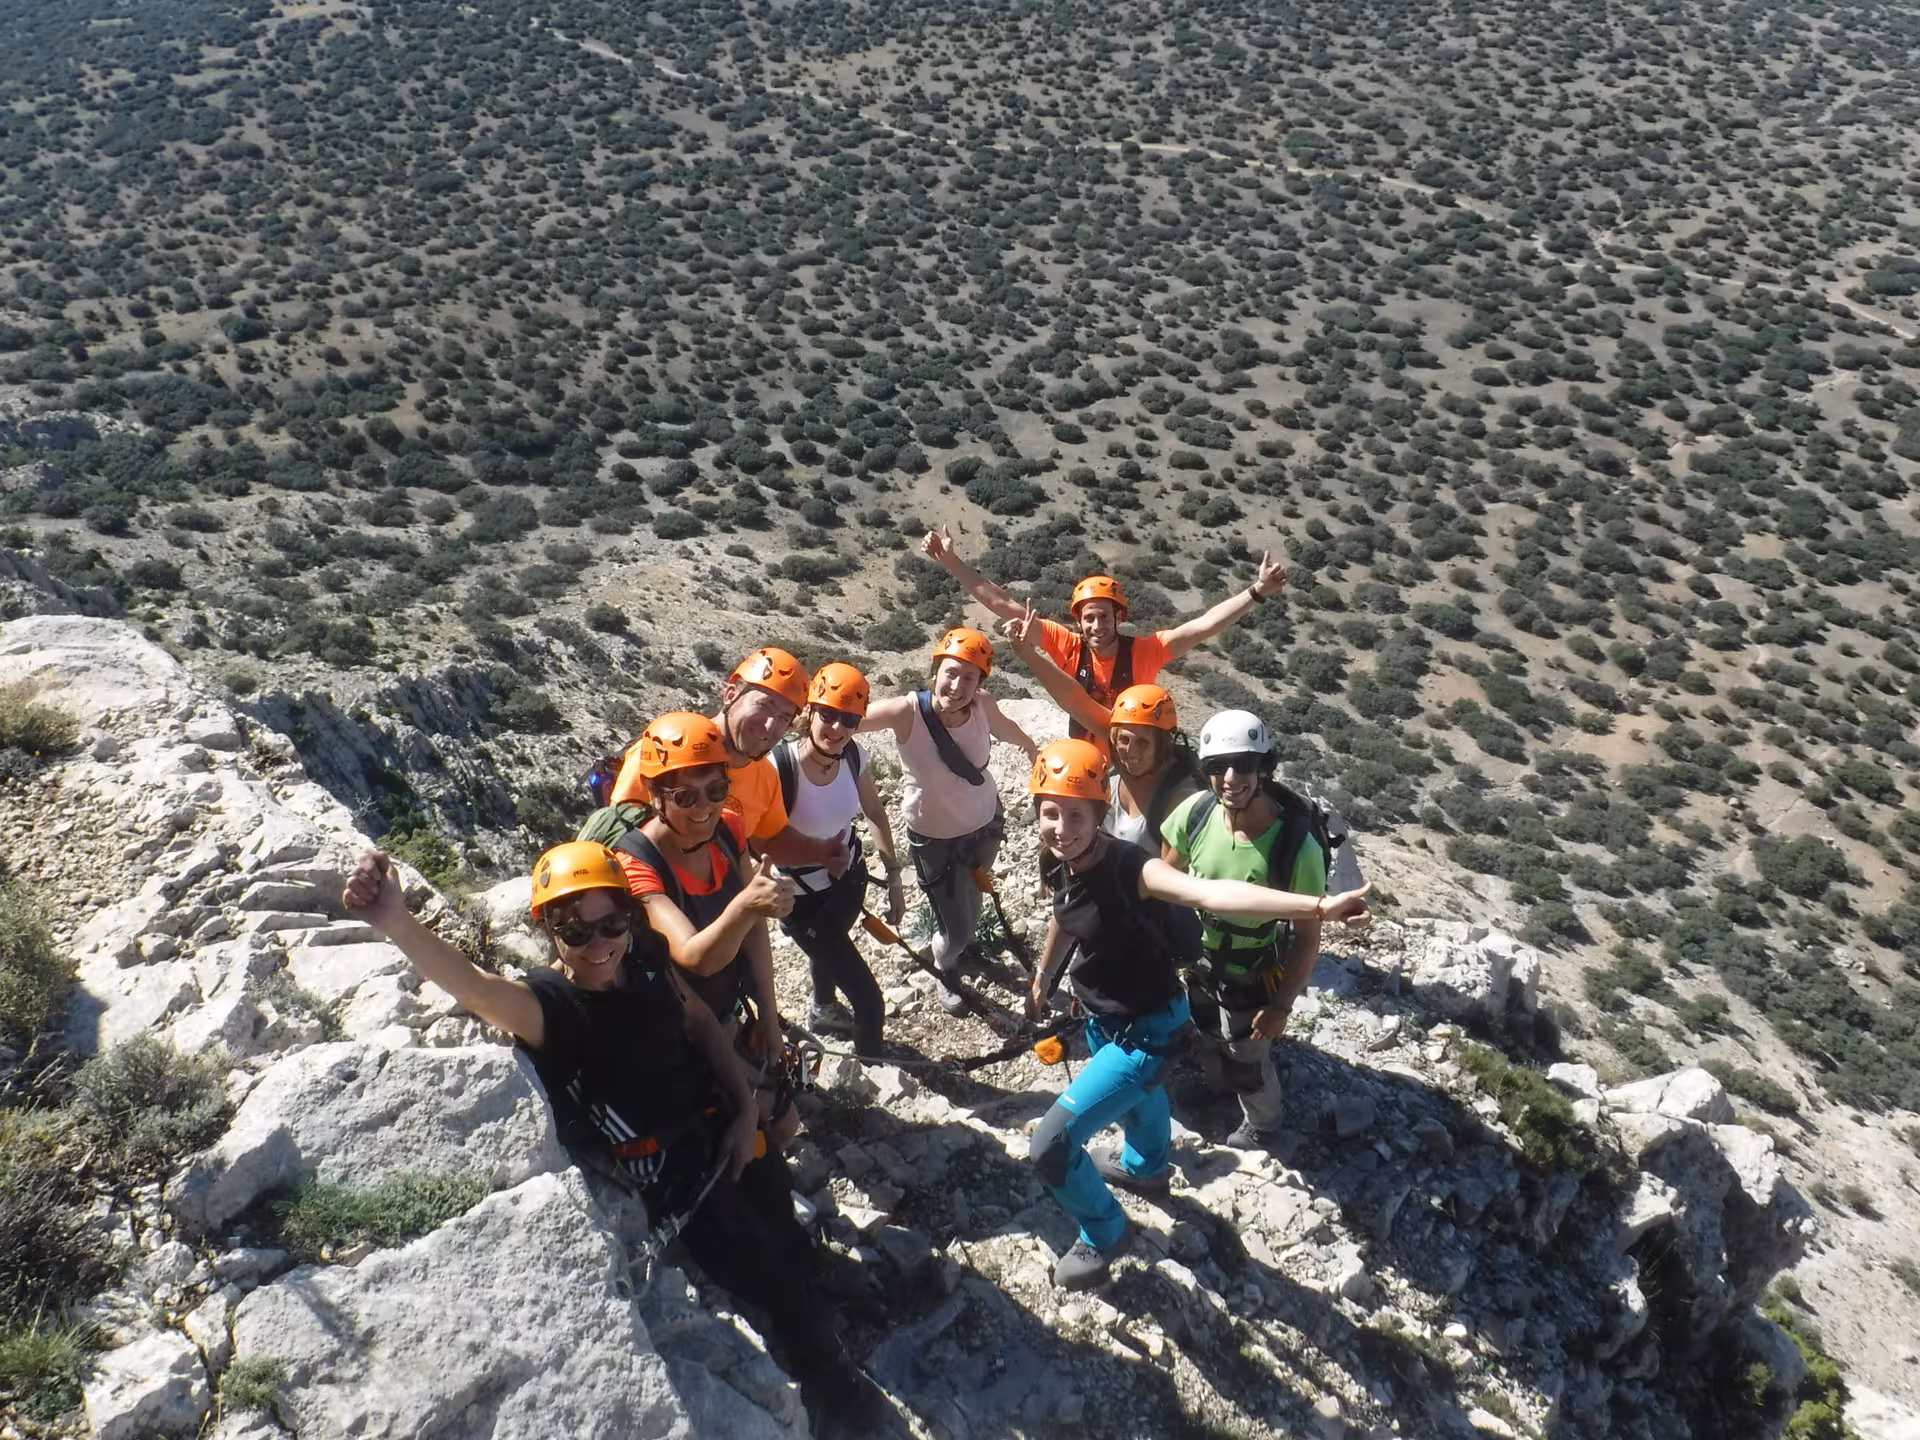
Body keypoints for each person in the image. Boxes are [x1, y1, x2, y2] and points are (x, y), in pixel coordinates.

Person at [339, 841, 885, 1428]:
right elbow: (474, 987)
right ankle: (829, 1378)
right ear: (549, 930)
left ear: (630, 918)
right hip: (676, 1177)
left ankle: (813, 1272)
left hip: (721, 1123)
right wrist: (394, 919)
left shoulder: (645, 961)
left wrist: (747, 1110)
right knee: (772, 1278)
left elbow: (699, 1023)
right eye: (576, 931)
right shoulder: (552, 1007)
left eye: (612, 924)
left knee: (779, 1210)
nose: (598, 944)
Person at [1021, 739, 1371, 1289]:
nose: (1062, 827)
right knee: (1143, 1097)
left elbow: (1211, 894)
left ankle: (1105, 1232)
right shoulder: (1063, 861)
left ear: (1099, 813)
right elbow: (1066, 917)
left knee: (1050, 1145)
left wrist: (1317, 906)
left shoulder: (1132, 868)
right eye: (1050, 813)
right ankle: (1148, 1167)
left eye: (1075, 814)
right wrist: (1043, 978)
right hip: (1106, 1016)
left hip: (1148, 1031)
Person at [611, 712, 801, 1149]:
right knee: (761, 1125)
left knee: (780, 1118)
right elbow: (694, 956)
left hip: (724, 1010)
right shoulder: (635, 863)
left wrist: (769, 1017)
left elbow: (753, 930)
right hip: (677, 1032)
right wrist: (748, 904)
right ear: (656, 797)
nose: (705, 808)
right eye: (686, 797)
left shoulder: (728, 829)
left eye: (717, 790)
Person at [920, 527, 1288, 736]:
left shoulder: (1147, 649)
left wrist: (1256, 592)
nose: (1097, 626)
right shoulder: (1065, 643)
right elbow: (1000, 603)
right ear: (1079, 620)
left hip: (1134, 754)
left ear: (1118, 617)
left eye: (1104, 617)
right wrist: (951, 560)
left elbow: (1205, 626)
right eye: (1089, 618)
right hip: (1086, 754)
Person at [1161, 709, 1332, 1150]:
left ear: (1264, 768)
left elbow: (1307, 937)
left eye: (1244, 764)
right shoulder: (1195, 815)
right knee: (1206, 1032)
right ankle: (1218, 1090)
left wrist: (1281, 1006)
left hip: (1252, 970)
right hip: (1197, 962)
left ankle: (1264, 1124)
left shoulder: (1297, 848)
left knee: (1248, 1056)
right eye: (1218, 767)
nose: (1231, 777)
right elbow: (1165, 877)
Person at [860, 627, 1038, 1016]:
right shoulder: (907, 712)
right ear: (935, 670)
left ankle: (966, 945)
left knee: (975, 894)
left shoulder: (983, 706)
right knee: (955, 924)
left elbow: (1006, 729)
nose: (957, 685)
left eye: (969, 676)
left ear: (980, 682)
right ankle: (947, 966)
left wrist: (1030, 747)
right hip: (934, 838)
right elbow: (846, 719)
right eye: (950, 673)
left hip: (985, 825)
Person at [606, 647, 848, 875]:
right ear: (730, 694)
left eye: (785, 717)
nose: (770, 726)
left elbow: (769, 840)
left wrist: (821, 852)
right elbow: (619, 839)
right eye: (763, 705)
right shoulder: (665, 750)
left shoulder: (765, 776)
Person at [774, 662, 903, 1057]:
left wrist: (894, 875)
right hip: (803, 902)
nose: (837, 729)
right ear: (809, 711)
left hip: (849, 881)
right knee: (870, 1003)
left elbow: (875, 814)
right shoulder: (780, 768)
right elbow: (759, 842)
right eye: (828, 714)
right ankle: (870, 1081)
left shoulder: (853, 758)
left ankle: (823, 1008)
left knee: (831, 952)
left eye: (849, 719)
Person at [1002, 606, 1203, 834]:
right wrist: (1026, 653)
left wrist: (1253, 594)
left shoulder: (1183, 792)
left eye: (1143, 742)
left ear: (1164, 741)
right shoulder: (1115, 774)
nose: (1131, 752)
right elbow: (1075, 700)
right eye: (1124, 741)